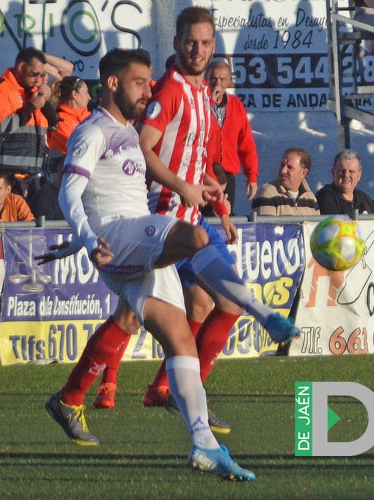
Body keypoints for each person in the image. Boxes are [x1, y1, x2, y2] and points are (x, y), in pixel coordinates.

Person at [38, 48, 289, 481]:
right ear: (112, 83)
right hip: (121, 235)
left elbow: (129, 184)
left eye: (150, 82)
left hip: (134, 248)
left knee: (181, 341)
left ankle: (203, 444)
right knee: (193, 235)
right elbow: (69, 194)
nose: (148, 90)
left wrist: (202, 185)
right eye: (140, 82)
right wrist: (85, 236)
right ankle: (261, 311)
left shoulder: (131, 134)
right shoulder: (92, 130)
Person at [89, 8, 300, 425]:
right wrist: (183, 188)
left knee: (210, 302)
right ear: (177, 43)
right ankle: (101, 385)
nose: (197, 49)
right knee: (138, 312)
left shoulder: (203, 94)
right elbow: (144, 148)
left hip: (193, 215)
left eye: (205, 43)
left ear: (214, 46)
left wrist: (219, 206)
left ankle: (166, 390)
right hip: (163, 216)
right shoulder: (169, 91)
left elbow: (195, 157)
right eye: (190, 42)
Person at [0, 47, 58, 194]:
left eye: (41, 75)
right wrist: (31, 107)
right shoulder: (1, 89)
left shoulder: (32, 92)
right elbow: (4, 126)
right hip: (5, 178)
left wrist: (45, 101)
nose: (38, 80)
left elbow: (54, 125)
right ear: (21, 67)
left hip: (34, 177)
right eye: (34, 74)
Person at [205, 58, 259, 214]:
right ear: (206, 79)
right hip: (205, 174)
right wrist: (210, 102)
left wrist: (252, 176)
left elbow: (246, 144)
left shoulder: (236, 105)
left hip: (227, 176)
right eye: (213, 79)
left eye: (222, 79)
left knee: (226, 216)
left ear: (229, 81)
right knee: (207, 217)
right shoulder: (201, 103)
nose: (218, 83)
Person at [251, 148, 320, 216]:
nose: (283, 171)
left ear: (304, 173)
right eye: (282, 165)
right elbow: (265, 226)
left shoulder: (310, 198)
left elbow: (317, 226)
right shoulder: (267, 193)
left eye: (289, 167)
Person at [316, 149, 374, 215]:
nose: (346, 175)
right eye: (342, 171)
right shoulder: (326, 197)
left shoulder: (364, 198)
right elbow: (335, 224)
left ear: (359, 175)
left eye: (351, 171)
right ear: (333, 173)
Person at [47, 75, 92, 155]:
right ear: (74, 94)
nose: (89, 97)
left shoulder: (91, 116)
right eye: (86, 93)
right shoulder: (59, 120)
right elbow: (75, 148)